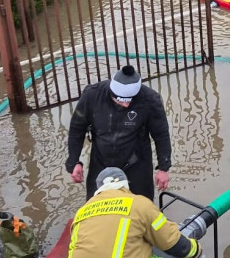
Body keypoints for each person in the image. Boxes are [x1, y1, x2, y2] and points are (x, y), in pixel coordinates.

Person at [61, 167, 201, 258]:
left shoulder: (82, 212)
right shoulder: (140, 204)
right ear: (125, 186)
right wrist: (196, 252)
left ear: (99, 190)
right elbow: (172, 241)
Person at [66, 65, 171, 200]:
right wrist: (74, 162)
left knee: (141, 206)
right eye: (121, 100)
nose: (126, 105)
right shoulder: (92, 96)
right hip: (101, 162)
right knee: (96, 204)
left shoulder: (150, 99)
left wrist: (163, 168)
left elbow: (161, 135)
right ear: (112, 94)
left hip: (137, 163)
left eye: (130, 100)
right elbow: (76, 129)